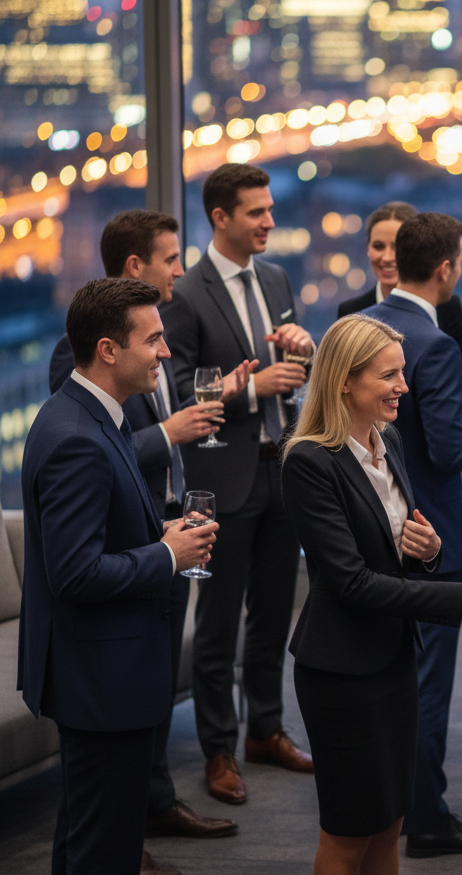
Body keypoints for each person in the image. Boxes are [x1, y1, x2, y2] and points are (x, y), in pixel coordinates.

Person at [280, 314, 462, 875]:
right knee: (347, 835)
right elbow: (351, 582)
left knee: (389, 825)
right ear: (343, 382)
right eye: (390, 376)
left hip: (392, 660)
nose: (404, 387)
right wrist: (456, 599)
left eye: (402, 373)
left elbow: (397, 551)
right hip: (341, 674)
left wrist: (427, 551)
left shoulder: (390, 440)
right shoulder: (309, 461)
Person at [48, 210, 246, 845]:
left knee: (146, 715)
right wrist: (169, 434)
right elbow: (95, 464)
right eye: (170, 258)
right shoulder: (75, 385)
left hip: (156, 544)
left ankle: (152, 803)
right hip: (125, 580)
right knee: (95, 821)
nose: (181, 270)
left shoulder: (134, 350)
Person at [18, 278, 217, 875]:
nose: (166, 351)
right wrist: (168, 556)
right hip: (101, 680)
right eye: (153, 339)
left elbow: (102, 532)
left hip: (104, 672)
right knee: (104, 849)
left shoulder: (93, 415)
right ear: (108, 349)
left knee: (87, 839)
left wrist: (162, 533)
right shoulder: (77, 437)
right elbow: (75, 572)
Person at [161, 162, 315, 805]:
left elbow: (295, 366)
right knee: (219, 624)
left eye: (269, 209)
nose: (270, 222)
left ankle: (267, 731)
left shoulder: (277, 277)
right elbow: (174, 393)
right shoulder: (186, 293)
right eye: (256, 212)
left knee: (275, 613)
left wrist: (303, 351)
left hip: (283, 468)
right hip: (224, 477)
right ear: (220, 218)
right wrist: (254, 386)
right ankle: (219, 750)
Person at [363, 213, 462, 856]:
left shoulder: (358, 328)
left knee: (387, 681)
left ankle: (388, 805)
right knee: (425, 687)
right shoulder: (436, 342)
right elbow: (448, 451)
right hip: (428, 539)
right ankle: (424, 818)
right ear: (446, 267)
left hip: (372, 531)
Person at [336, 200, 462, 368]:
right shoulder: (350, 312)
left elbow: (459, 372)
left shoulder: (447, 306)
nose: (387, 257)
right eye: (378, 246)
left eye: (397, 247)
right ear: (367, 249)